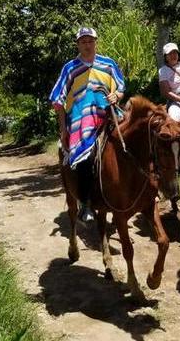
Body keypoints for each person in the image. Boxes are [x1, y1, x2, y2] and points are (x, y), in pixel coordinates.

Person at [49, 27, 125, 224]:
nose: (87, 45)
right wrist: (63, 129)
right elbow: (58, 100)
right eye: (83, 41)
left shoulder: (108, 64)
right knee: (85, 157)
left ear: (96, 42)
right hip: (81, 122)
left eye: (90, 41)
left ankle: (143, 191)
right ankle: (86, 203)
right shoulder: (70, 68)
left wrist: (116, 95)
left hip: (109, 115)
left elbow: (121, 86)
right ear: (78, 44)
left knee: (132, 142)